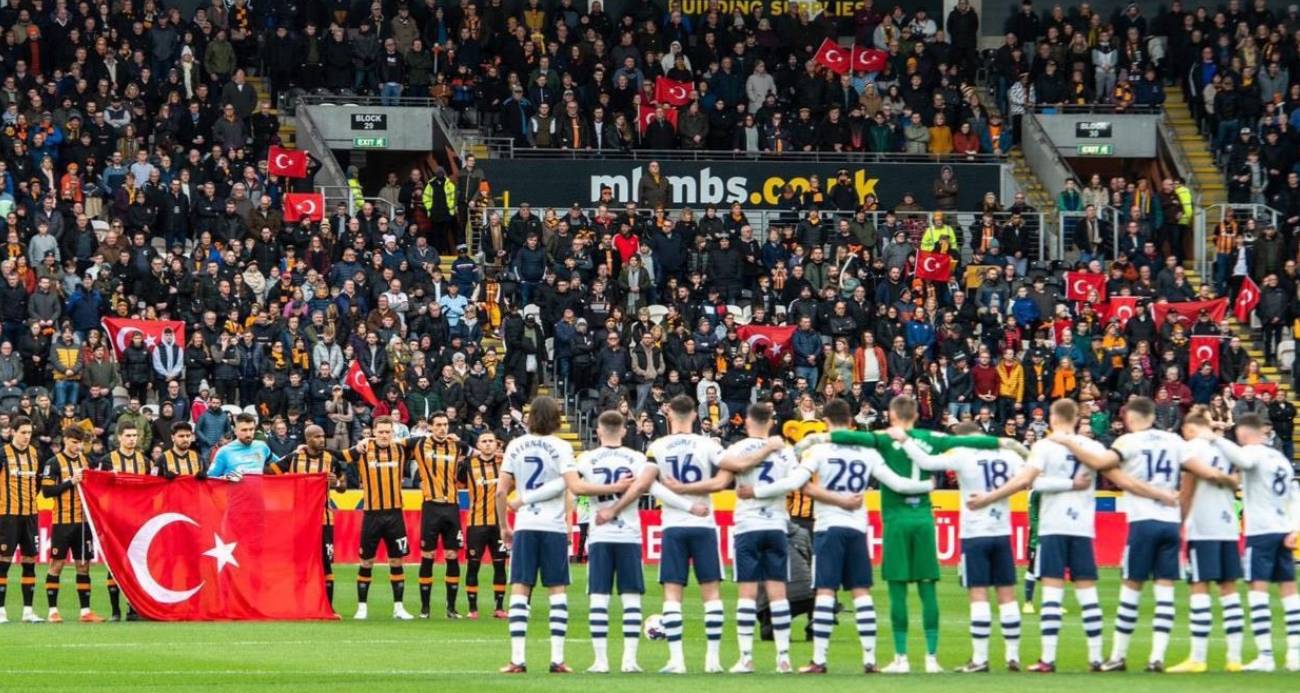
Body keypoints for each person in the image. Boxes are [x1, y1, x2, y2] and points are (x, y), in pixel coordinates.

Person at [793, 395, 1021, 673]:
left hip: (895, 521)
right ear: (915, 414)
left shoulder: (882, 438)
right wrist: (1001, 442)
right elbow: (965, 441)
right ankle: (931, 659)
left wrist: (814, 440)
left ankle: (899, 658)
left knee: (896, 590)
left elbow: (843, 437)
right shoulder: (933, 437)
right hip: (924, 519)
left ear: (891, 414)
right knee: (928, 590)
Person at [1053, 396, 1234, 672]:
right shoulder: (1174, 441)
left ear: (1128, 417)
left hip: (1143, 521)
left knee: (1132, 586)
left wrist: (1068, 441)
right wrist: (1227, 479)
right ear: (1153, 416)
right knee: (1165, 590)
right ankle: (1157, 657)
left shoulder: (1128, 442)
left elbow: (1101, 462)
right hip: (1170, 522)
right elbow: (1201, 471)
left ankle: (1118, 655)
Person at [751, 398, 931, 674]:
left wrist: (756, 492)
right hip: (857, 528)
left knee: (824, 591)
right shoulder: (867, 452)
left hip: (828, 528)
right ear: (851, 422)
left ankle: (819, 660)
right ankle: (870, 660)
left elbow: (793, 483)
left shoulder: (819, 451)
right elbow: (896, 483)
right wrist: (924, 485)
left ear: (826, 423)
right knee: (861, 592)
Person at [972, 398, 1108, 672]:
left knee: (1052, 592)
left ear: (1053, 419)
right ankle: (1096, 657)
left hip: (1053, 527)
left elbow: (1026, 481)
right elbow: (1108, 468)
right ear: (1077, 419)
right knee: (1087, 591)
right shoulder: (1093, 447)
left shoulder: (1044, 446)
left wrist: (989, 498)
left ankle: (1048, 658)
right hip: (1082, 526)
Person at [565, 410, 702, 673]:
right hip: (629, 535)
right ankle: (629, 661)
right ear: (625, 431)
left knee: (598, 598)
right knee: (631, 598)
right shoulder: (637, 458)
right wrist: (688, 505)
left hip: (600, 535)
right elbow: (656, 489)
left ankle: (601, 661)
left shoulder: (587, 458)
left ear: (598, 431)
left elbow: (575, 489)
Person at [665, 403, 794, 673]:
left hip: (748, 524)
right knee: (778, 593)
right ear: (771, 421)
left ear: (747, 422)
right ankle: (784, 658)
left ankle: (746, 658)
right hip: (777, 524)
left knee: (747, 594)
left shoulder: (736, 449)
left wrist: (683, 490)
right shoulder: (786, 451)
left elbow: (720, 483)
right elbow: (795, 484)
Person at [895, 420, 1027, 672]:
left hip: (975, 533)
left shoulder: (961, 452)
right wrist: (998, 495)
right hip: (1002, 531)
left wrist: (904, 441)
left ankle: (980, 658)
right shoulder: (1006, 453)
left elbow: (926, 463)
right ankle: (1013, 656)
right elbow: (1025, 479)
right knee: (1006, 594)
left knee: (978, 593)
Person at [1206, 413, 1300, 672]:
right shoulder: (1280, 458)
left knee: (1258, 592)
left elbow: (1242, 459)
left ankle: (1266, 656)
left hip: (1261, 533)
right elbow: (1295, 495)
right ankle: (1294, 655)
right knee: (1289, 592)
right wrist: (1296, 528)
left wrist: (1214, 437)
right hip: (1283, 529)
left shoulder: (1254, 453)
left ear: (1245, 434)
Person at [644, 394, 729, 674]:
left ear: (669, 414)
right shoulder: (708, 444)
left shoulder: (658, 445)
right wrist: (695, 500)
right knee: (711, 592)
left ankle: (677, 661)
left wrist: (680, 498)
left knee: (672, 593)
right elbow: (723, 478)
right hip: (704, 524)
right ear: (694, 415)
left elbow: (651, 485)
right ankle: (713, 661)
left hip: (673, 524)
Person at [497, 396, 582, 674]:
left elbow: (500, 491)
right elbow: (569, 488)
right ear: (556, 418)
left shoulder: (515, 445)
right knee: (557, 590)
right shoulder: (562, 446)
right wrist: (570, 522)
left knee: (520, 588)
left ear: (530, 417)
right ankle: (557, 659)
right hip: (553, 526)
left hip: (525, 524)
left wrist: (503, 526)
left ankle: (517, 659)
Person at [1167, 411, 1246, 673]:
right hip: (1228, 525)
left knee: (1199, 587)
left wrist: (1180, 524)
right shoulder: (1227, 448)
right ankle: (1234, 658)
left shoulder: (1191, 448)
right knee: (1229, 589)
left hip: (1203, 526)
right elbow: (1238, 480)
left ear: (1190, 428)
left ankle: (1198, 658)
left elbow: (1187, 489)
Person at [340, 416, 414, 621]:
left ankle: (399, 607)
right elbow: (339, 456)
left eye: (387, 432)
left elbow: (425, 442)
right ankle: (362, 607)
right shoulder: (363, 450)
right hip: (371, 514)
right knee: (366, 561)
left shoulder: (401, 449)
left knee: (397, 559)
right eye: (380, 431)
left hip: (395, 514)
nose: (384, 435)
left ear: (393, 433)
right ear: (373, 432)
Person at [267, 424, 345, 608]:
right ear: (308, 439)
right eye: (317, 436)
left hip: (324, 520)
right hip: (299, 521)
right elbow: (268, 472)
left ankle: (328, 607)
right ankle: (298, 604)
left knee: (326, 564)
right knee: (299, 564)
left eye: (323, 436)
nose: (321, 440)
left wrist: (337, 484)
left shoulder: (331, 460)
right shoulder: (294, 459)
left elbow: (343, 487)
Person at [40, 426, 105, 623]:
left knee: (83, 566)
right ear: (66, 440)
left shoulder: (85, 461)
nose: (78, 446)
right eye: (74, 442)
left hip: (83, 523)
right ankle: (52, 611)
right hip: (62, 522)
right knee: (57, 565)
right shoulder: (53, 463)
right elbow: (46, 492)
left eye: (80, 443)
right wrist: (70, 481)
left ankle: (85, 612)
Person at [411, 413, 466, 619]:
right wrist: (368, 440)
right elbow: (391, 442)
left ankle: (451, 608)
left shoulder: (458, 445)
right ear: (431, 428)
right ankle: (425, 609)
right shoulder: (418, 444)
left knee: (452, 556)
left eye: (445, 424)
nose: (443, 428)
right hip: (431, 507)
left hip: (451, 507)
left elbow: (480, 452)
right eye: (439, 425)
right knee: (428, 556)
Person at [99, 418, 153, 620]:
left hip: (138, 520)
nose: (132, 439)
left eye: (134, 436)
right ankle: (115, 610)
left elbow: (152, 489)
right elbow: (99, 490)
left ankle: (133, 608)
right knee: (114, 563)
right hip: (114, 519)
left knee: (135, 565)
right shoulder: (107, 460)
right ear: (119, 438)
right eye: (128, 436)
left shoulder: (145, 461)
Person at [458, 431, 507, 619]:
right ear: (478, 445)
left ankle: (499, 607)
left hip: (498, 524)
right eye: (484, 441)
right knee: (473, 566)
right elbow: (457, 483)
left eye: (491, 441)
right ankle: (472, 608)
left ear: (496, 444)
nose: (487, 444)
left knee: (500, 565)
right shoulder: (468, 465)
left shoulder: (504, 465)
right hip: (476, 523)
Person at [0, 417, 43, 623]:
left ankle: (28, 611)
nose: (27, 437)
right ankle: (0, 611)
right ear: (13, 432)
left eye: (29, 433)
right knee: (3, 562)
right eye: (23, 432)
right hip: (7, 515)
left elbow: (38, 484)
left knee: (29, 561)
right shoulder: (3, 453)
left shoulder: (35, 454)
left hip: (30, 515)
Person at [206, 413, 275, 481]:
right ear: (235, 431)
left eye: (251, 429)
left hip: (258, 492)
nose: (248, 434)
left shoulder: (262, 447)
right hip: (234, 492)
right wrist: (225, 478)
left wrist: (286, 460)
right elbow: (209, 478)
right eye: (244, 430)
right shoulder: (224, 451)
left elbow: (279, 465)